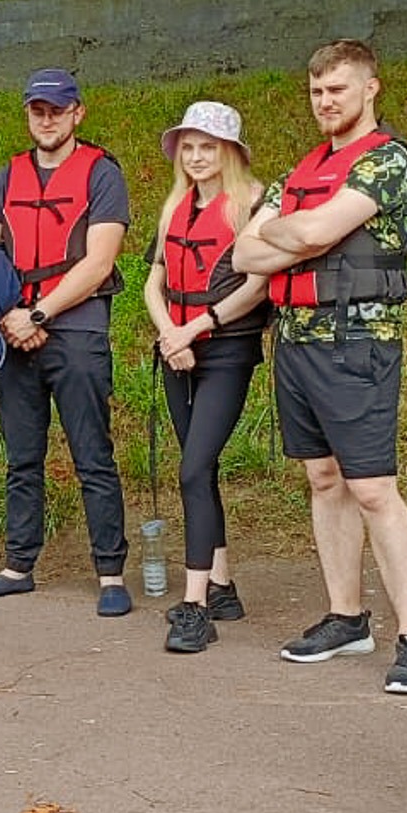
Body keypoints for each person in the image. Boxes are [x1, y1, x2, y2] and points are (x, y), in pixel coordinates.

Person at [233, 40, 407, 694]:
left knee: (373, 487)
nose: (326, 102)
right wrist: (291, 233)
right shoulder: (301, 170)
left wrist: (288, 232)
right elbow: (244, 254)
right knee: (323, 480)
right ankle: (347, 617)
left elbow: (315, 235)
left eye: (338, 90)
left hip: (358, 340)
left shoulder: (386, 164)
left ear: (370, 89)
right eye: (317, 91)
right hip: (296, 341)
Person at [0, 69, 131, 615]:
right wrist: (8, 315)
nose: (47, 119)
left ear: (78, 112)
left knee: (92, 454)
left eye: (58, 109)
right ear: (28, 115)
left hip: (76, 327)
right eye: (38, 110)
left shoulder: (102, 174)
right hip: (13, 327)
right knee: (22, 456)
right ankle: (17, 566)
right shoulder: (7, 177)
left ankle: (110, 573)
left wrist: (38, 312)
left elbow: (100, 260)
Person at [141, 102, 271, 654]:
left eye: (207, 147)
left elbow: (257, 285)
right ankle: (220, 587)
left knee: (192, 469)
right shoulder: (175, 208)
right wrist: (171, 333)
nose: (196, 157)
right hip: (176, 349)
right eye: (188, 147)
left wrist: (195, 329)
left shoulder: (253, 205)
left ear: (230, 152)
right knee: (202, 469)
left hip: (225, 350)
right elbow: (154, 281)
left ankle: (193, 607)